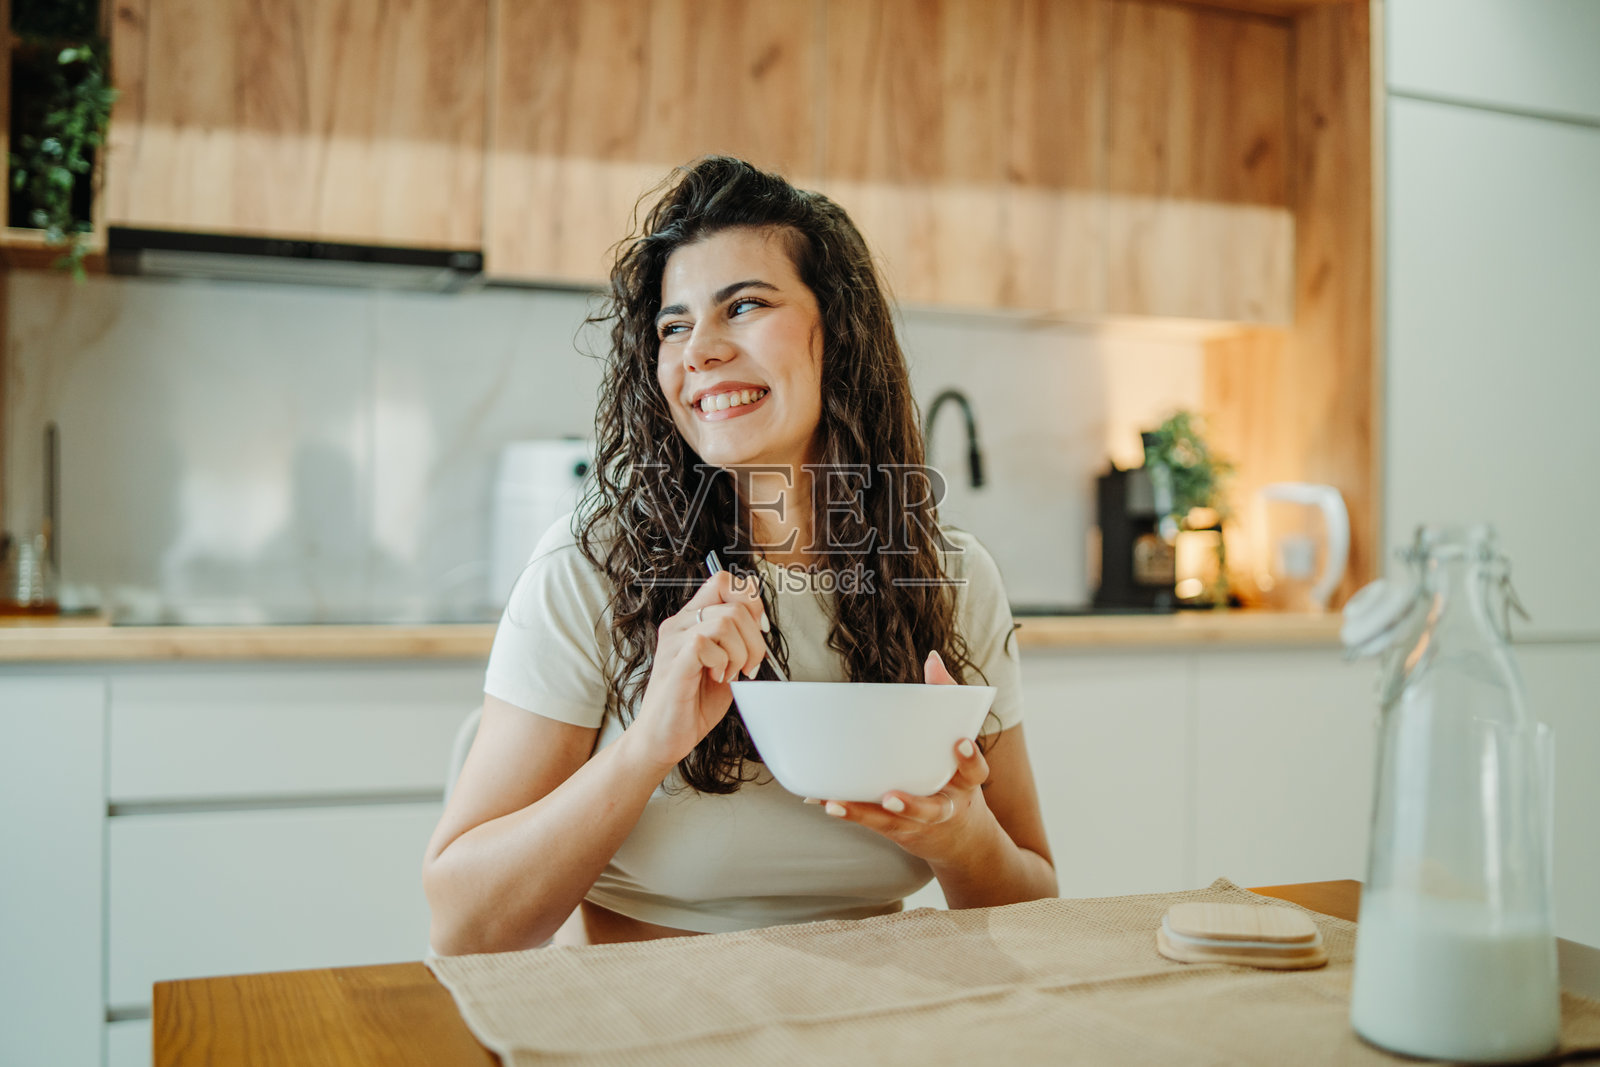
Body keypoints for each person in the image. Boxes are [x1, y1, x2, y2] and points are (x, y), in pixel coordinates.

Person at [423, 157, 1056, 954]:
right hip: (646, 1023)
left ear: (843, 330)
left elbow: (1035, 900)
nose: (700, 351)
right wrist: (649, 740)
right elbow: (465, 925)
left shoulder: (949, 576)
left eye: (745, 306)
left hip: (881, 1021)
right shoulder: (593, 569)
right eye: (673, 325)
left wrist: (960, 832)